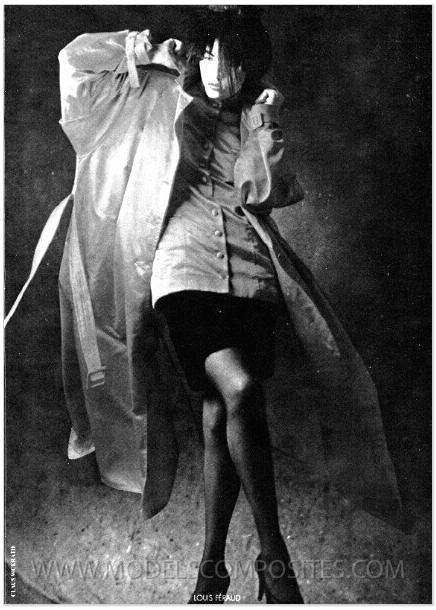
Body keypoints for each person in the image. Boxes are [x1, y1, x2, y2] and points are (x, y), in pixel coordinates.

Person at [53, 5, 400, 605]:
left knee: (221, 412)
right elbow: (75, 67)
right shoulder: (160, 90)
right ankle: (275, 556)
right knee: (239, 387)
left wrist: (264, 121)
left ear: (250, 64)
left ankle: (211, 572)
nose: (217, 69)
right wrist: (142, 51)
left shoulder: (254, 113)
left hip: (250, 271)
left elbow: (260, 192)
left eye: (231, 58)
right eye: (208, 53)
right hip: (180, 262)